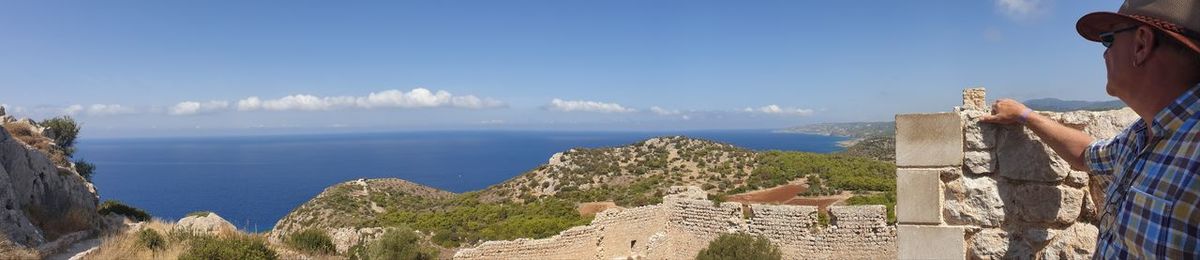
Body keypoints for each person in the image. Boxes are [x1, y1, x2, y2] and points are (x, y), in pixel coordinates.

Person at [979, 0, 1200, 258]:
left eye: (1108, 40)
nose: (1104, 54)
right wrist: (1024, 114)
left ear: (1141, 44)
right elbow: (1085, 153)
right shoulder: (1139, 137)